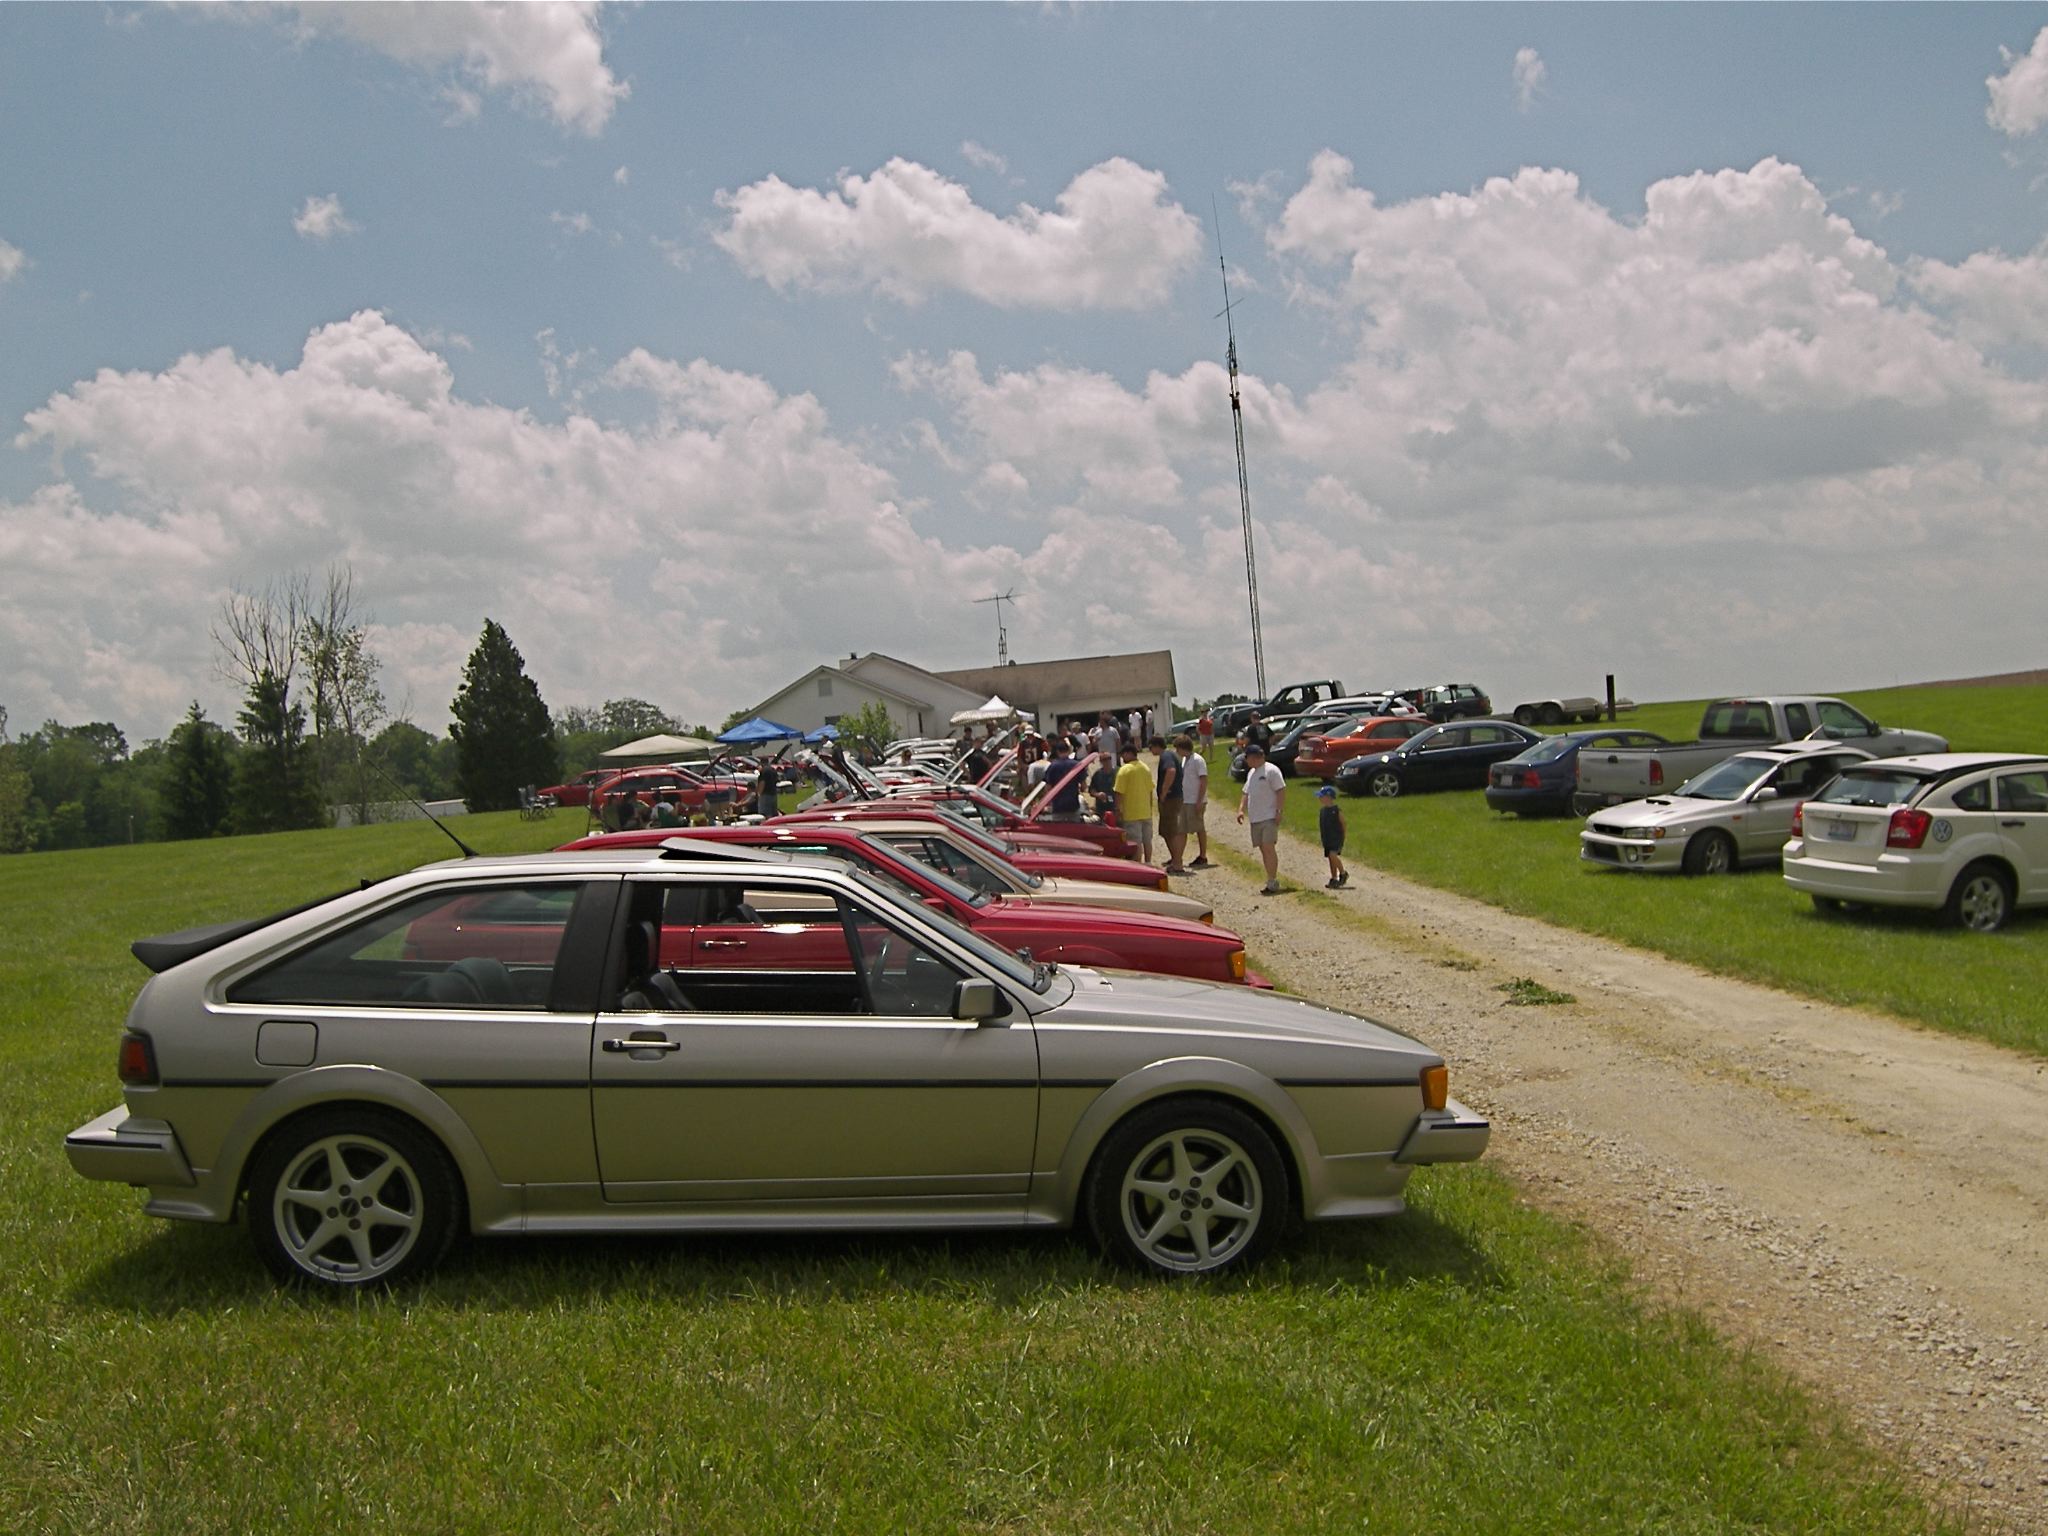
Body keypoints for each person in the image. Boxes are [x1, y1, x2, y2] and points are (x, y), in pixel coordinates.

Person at [1236, 741, 1286, 895]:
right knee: (1263, 849)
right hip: (1255, 817)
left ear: (1255, 757)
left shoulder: (1271, 771)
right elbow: (1246, 793)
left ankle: (1272, 880)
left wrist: (1278, 811)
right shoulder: (1251, 773)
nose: (1247, 761)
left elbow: (1280, 790)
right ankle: (1269, 876)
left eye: (1248, 758)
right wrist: (1241, 809)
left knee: (1268, 847)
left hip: (1268, 815)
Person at [1113, 742, 1155, 865]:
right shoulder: (1145, 768)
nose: (1122, 757)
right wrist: (1150, 807)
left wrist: (1118, 810)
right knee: (1147, 840)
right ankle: (1148, 862)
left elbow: (1119, 792)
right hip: (1145, 811)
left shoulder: (1124, 770)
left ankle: (1138, 864)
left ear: (1128, 754)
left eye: (1123, 755)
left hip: (1131, 812)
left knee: (1135, 841)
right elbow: (1150, 790)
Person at [1174, 733, 1211, 869]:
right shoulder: (1185, 760)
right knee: (1181, 829)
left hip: (1195, 799)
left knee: (1199, 827)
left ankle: (1203, 855)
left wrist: (1199, 800)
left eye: (1178, 748)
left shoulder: (1198, 760)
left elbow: (1203, 780)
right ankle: (1177, 857)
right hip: (1185, 799)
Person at [1151, 735, 1184, 873]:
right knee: (1166, 831)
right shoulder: (1169, 755)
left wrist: (1164, 792)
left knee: (1171, 831)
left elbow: (1171, 771)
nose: (1150, 750)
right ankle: (1175, 859)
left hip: (1171, 798)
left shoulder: (1166, 756)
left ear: (1156, 746)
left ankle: (1178, 863)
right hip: (1173, 798)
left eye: (1151, 747)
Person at [1318, 785, 1349, 888]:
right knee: (1331, 859)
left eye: (1321, 796)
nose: (1319, 798)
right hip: (1327, 838)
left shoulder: (1336, 811)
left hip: (1336, 838)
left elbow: (1343, 823)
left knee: (1333, 855)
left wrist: (1343, 835)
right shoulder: (1323, 811)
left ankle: (1343, 873)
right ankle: (1334, 878)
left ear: (1329, 797)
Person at [1042, 742, 1083, 819]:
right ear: (1068, 750)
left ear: (1057, 751)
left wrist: (1047, 804)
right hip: (1073, 805)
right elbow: (1084, 786)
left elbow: (1048, 788)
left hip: (1058, 806)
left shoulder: (1052, 766)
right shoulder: (1076, 765)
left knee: (1058, 826)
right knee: (1074, 826)